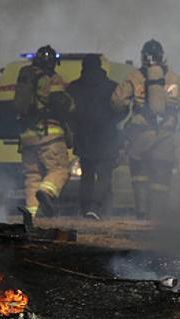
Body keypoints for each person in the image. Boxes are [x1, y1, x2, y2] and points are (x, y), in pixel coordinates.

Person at [111, 39, 180, 220]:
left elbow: (116, 101)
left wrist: (126, 108)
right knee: (161, 176)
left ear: (143, 56)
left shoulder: (134, 77)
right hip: (165, 135)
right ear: (162, 57)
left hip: (140, 134)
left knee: (139, 174)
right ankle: (157, 215)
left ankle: (142, 213)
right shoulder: (174, 79)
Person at [13, 45, 74, 217]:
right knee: (60, 169)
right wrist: (71, 103)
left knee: (32, 177)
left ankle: (31, 216)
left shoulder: (26, 77)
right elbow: (60, 103)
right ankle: (46, 192)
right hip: (49, 134)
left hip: (26, 137)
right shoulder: (52, 79)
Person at [66, 54, 125, 220]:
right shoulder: (112, 86)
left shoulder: (74, 87)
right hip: (107, 137)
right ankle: (96, 207)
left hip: (84, 138)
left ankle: (86, 209)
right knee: (105, 175)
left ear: (83, 67)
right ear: (100, 67)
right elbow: (122, 110)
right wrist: (111, 122)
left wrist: (75, 126)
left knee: (87, 176)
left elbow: (67, 111)